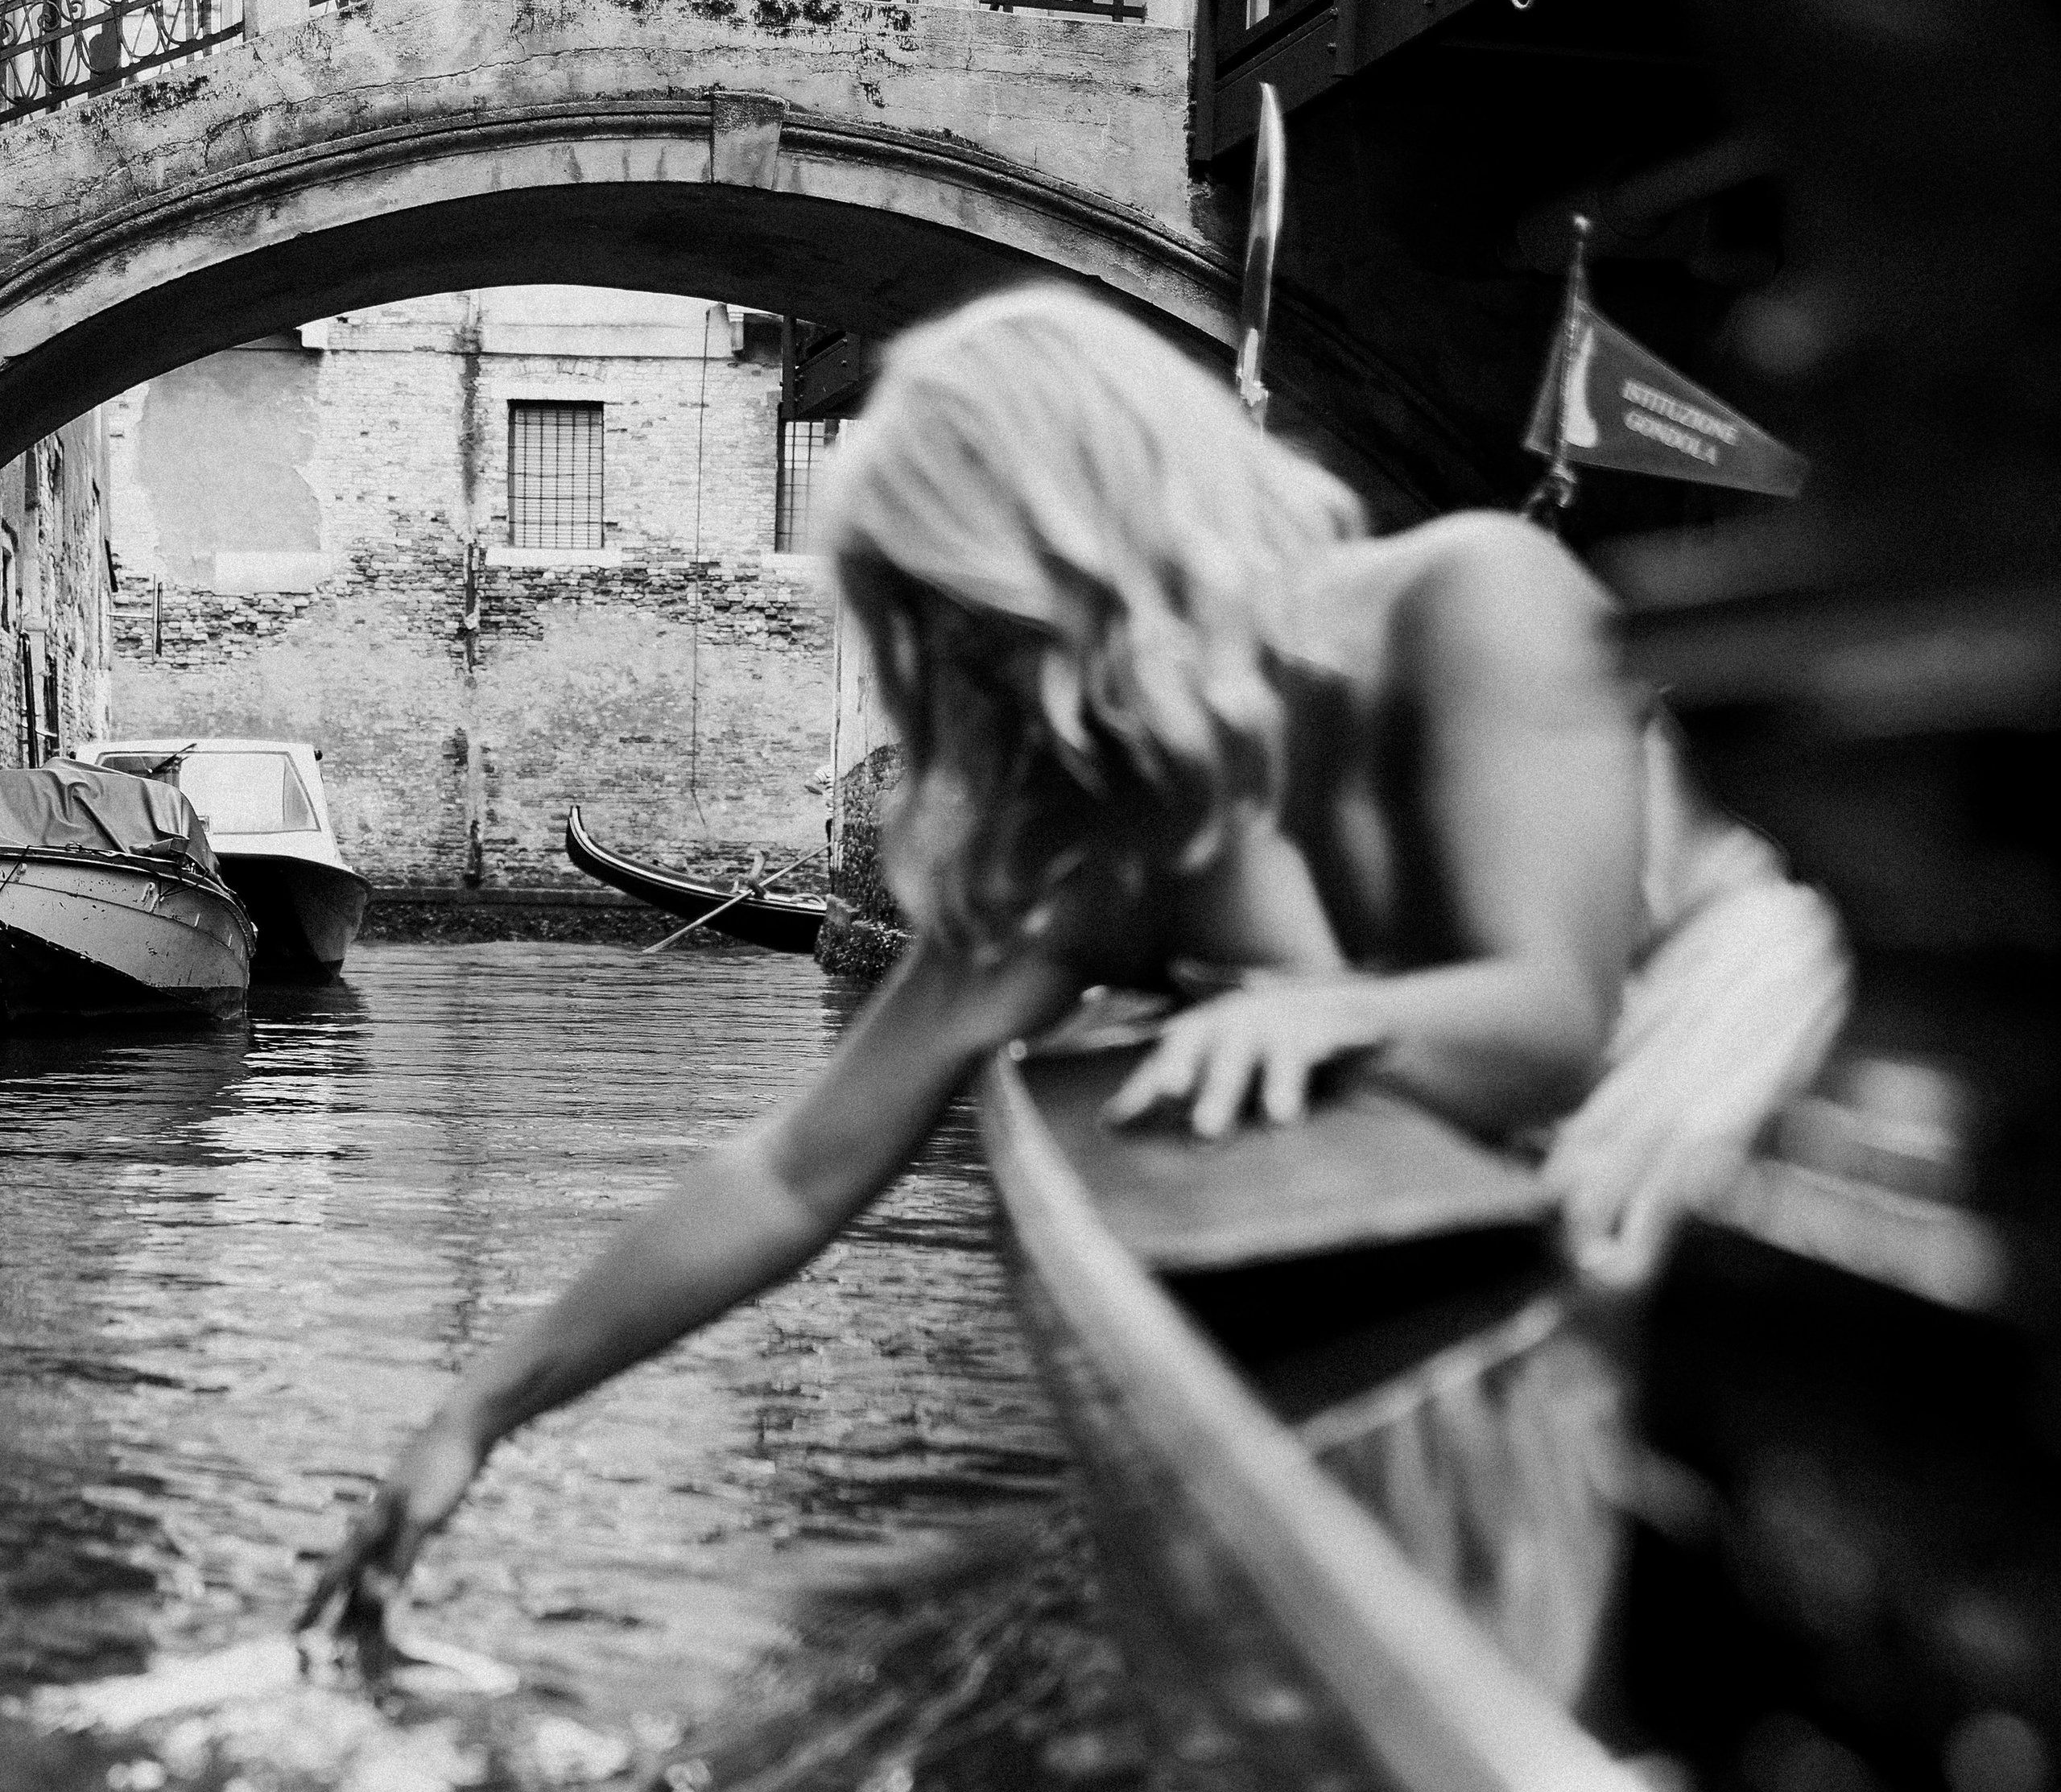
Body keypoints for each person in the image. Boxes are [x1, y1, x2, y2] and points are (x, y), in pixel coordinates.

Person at [304, 283, 1843, 1625]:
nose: (966, 686)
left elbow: (1555, 1020)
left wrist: (1329, 1026)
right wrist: (479, 1414)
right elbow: (792, 1175)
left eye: (969, 624)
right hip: (1476, 1192)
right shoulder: (1104, 845)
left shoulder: (1474, 601)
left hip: (1745, 1065)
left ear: (1081, 546)